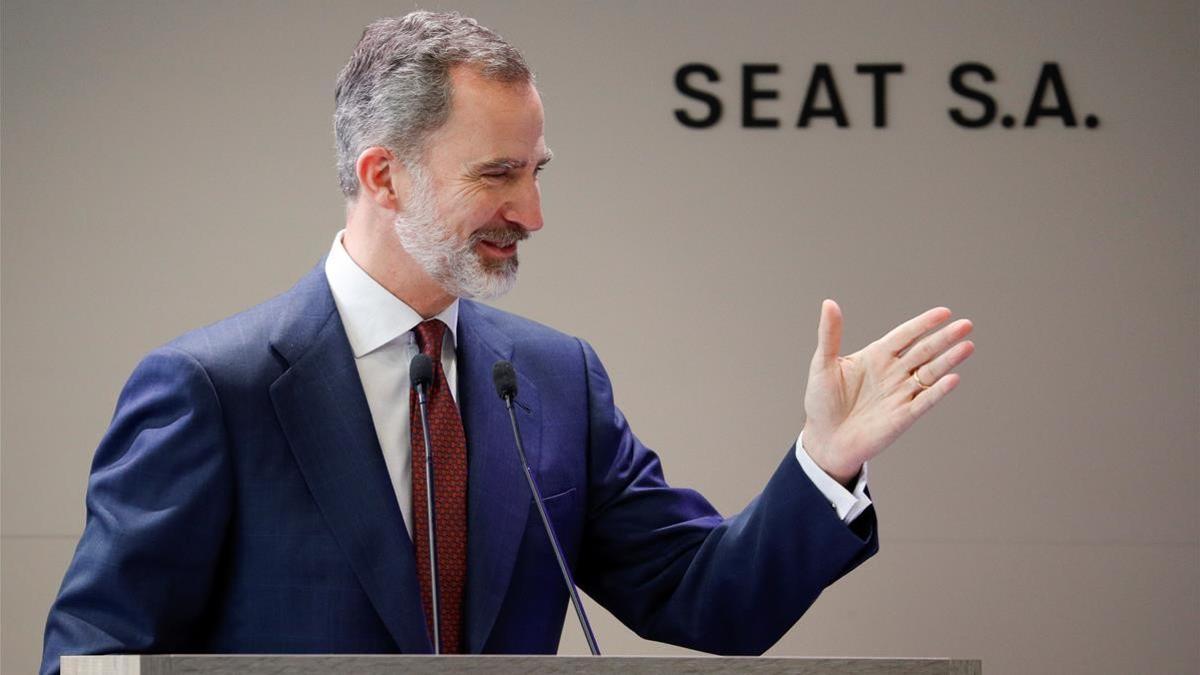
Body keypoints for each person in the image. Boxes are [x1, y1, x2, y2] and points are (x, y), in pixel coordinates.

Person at [41, 11, 974, 674]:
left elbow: (710, 597)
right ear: (384, 176)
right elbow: (94, 661)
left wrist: (825, 458)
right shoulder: (212, 389)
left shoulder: (555, 378)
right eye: (498, 175)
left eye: (536, 172)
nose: (531, 212)